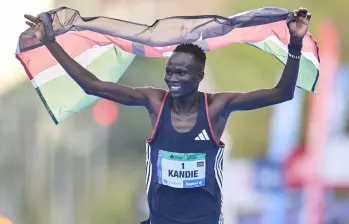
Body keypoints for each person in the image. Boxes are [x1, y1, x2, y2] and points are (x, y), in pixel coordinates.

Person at [24, 7, 311, 224]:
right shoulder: (153, 102)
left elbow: (281, 94)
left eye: (181, 72)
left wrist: (295, 44)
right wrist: (50, 42)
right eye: (169, 71)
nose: (172, 78)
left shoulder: (217, 108)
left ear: (198, 76)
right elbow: (93, 85)